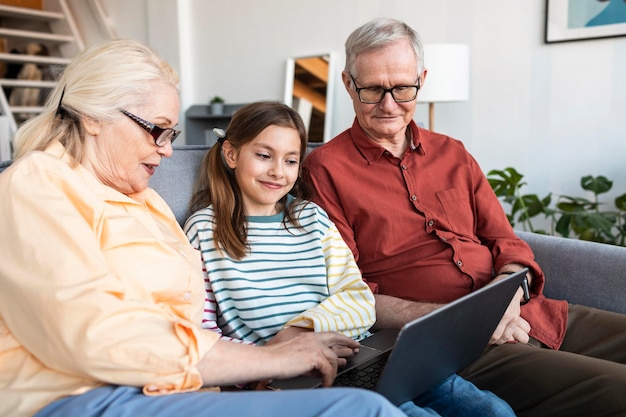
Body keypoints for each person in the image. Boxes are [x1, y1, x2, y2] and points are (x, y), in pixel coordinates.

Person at [0, 39, 410, 417]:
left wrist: (251, 372)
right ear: (93, 117)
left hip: (178, 389)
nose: (167, 149)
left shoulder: (142, 200)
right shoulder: (37, 183)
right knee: (362, 410)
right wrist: (271, 359)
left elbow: (194, 317)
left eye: (171, 133)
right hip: (86, 396)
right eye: (157, 129)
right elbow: (92, 333)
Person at [303, 16, 626, 417]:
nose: (388, 104)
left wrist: (504, 298)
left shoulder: (452, 152)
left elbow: (506, 241)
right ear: (349, 84)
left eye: (402, 88)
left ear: (421, 79)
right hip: (448, 346)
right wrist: (462, 320)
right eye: (371, 89)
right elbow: (349, 291)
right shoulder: (324, 169)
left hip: (528, 311)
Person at [183, 101, 515, 417]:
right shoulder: (204, 230)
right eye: (263, 155)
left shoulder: (311, 218)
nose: (277, 172)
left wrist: (299, 329)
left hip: (361, 353)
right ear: (231, 154)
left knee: (494, 410)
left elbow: (359, 300)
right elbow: (201, 332)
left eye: (290, 160)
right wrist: (269, 359)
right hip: (293, 376)